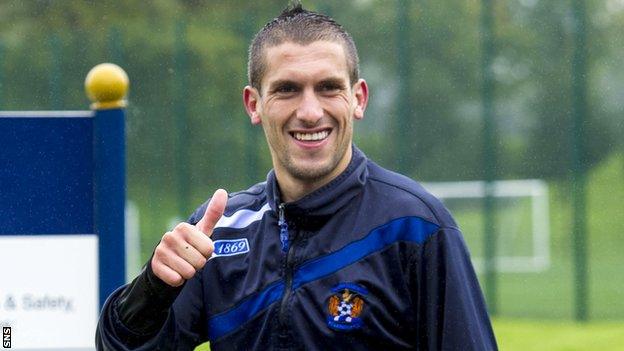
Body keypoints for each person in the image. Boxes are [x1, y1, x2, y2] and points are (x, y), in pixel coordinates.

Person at [96, 4, 498, 350]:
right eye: (287, 89)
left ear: (357, 99)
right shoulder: (221, 231)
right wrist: (152, 288)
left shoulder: (415, 228)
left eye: (328, 88)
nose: (309, 111)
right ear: (254, 104)